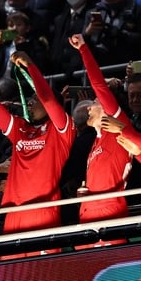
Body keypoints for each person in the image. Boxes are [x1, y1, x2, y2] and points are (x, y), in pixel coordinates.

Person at [0, 30, 76, 244]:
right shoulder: (20, 128)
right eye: (30, 98)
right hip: (13, 213)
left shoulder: (62, 129)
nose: (30, 102)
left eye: (35, 98)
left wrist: (31, 66)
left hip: (43, 213)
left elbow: (49, 100)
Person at [69, 34, 132, 232]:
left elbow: (98, 85)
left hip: (110, 214)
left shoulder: (117, 127)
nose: (89, 107)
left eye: (95, 102)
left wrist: (83, 49)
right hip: (87, 215)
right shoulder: (95, 141)